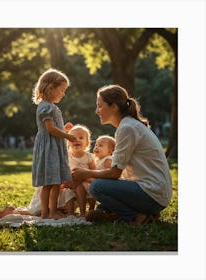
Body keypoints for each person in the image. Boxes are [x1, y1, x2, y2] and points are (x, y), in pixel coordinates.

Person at [72, 84, 172, 225]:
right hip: (152, 192)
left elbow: (114, 173)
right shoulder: (129, 125)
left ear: (114, 107)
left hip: (152, 194)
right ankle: (115, 214)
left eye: (100, 106)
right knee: (102, 205)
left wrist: (86, 173)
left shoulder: (127, 128)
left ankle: (135, 216)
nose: (96, 111)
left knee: (97, 187)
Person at [31, 68, 77, 219]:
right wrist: (68, 136)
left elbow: (53, 128)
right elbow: (50, 129)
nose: (63, 94)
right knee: (51, 182)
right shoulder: (45, 107)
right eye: (62, 90)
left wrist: (64, 129)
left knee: (53, 182)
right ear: (51, 87)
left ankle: (49, 212)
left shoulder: (49, 106)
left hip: (53, 146)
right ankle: (49, 212)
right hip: (49, 149)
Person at [65, 124, 97, 217]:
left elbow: (94, 171)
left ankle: (88, 211)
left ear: (87, 143)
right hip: (71, 182)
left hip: (85, 181)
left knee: (88, 188)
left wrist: (90, 179)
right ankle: (70, 213)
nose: (76, 140)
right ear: (68, 143)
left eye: (81, 138)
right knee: (68, 192)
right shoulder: (67, 155)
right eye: (73, 138)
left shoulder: (89, 157)